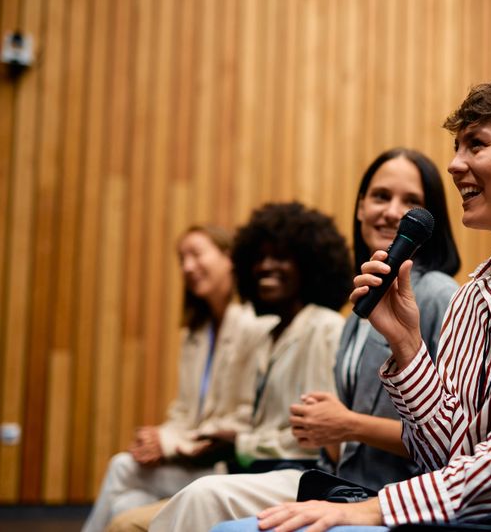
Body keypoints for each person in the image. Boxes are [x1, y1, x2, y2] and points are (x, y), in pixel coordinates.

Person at [219, 72, 491, 532]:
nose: (454, 164)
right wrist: (407, 344)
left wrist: (373, 509)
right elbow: (443, 454)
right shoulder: (476, 293)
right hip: (464, 518)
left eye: (476, 145)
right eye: (457, 147)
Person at [148, 148, 462, 531]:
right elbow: (339, 439)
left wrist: (347, 424)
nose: (392, 211)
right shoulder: (358, 313)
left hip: (393, 495)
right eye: (381, 196)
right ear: (360, 208)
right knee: (185, 494)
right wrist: (324, 425)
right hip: (337, 482)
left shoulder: (439, 295)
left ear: (429, 220)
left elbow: (453, 438)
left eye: (410, 201)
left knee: (204, 495)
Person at [106, 202, 353, 531]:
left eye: (280, 257)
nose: (266, 266)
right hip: (256, 471)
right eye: (260, 258)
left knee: (177, 503)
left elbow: (320, 437)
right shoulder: (270, 335)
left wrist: (239, 445)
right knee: (125, 513)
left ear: (309, 264)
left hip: (301, 474)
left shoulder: (323, 327)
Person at [82, 225, 271, 532]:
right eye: (182, 259)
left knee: (121, 468)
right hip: (191, 461)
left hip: (225, 467)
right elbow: (183, 412)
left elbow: (246, 418)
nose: (187, 267)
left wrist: (168, 442)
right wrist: (156, 437)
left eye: (196, 254)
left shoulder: (254, 326)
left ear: (229, 258)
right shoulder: (194, 334)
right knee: (123, 505)